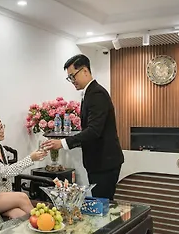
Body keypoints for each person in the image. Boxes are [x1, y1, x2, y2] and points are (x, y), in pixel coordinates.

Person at [42, 54, 124, 200]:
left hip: (104, 162)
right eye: (69, 78)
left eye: (73, 76)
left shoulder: (96, 93)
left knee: (102, 203)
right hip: (98, 162)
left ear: (85, 71)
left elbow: (94, 130)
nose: (72, 81)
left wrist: (62, 143)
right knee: (100, 201)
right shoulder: (89, 93)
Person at [0, 115, 47, 218]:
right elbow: (6, 172)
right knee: (22, 197)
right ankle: (43, 221)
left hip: (0, 194)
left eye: (2, 127)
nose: (2, 131)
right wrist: (31, 158)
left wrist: (9, 194)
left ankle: (38, 224)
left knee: (21, 215)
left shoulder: (1, 148)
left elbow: (5, 178)